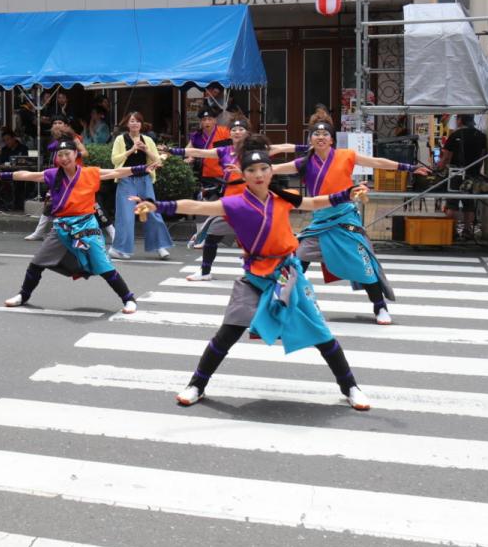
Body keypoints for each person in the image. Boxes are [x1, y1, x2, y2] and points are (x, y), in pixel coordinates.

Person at [133, 149, 371, 411]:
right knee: (228, 332)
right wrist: (158, 205)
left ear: (271, 172)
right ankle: (197, 385)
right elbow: (198, 206)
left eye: (263, 169)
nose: (258, 175)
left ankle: (350, 387)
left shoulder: (282, 197)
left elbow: (314, 203)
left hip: (286, 275)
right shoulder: (235, 204)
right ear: (242, 175)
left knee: (321, 333)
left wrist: (344, 195)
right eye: (251, 171)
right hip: (255, 277)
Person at [271, 119, 428, 325]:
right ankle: (280, 305)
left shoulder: (347, 156)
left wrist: (408, 167)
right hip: (320, 221)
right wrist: (246, 168)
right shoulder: (304, 162)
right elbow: (273, 169)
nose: (320, 137)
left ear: (332, 140)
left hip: (345, 220)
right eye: (316, 135)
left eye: (325, 134)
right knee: (298, 260)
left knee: (363, 265)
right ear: (310, 139)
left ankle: (379, 306)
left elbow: (377, 162)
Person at [0, 140, 150, 313]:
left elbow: (115, 172)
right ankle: (23, 295)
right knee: (37, 263)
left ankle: (128, 299)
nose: (64, 158)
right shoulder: (52, 174)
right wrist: (3, 175)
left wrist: (141, 169)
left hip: (87, 227)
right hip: (62, 228)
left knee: (103, 266)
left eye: (67, 154)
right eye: (60, 155)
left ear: (76, 154)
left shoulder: (89, 173)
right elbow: (28, 175)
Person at [166, 118, 297, 281]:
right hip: (231, 199)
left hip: (252, 199)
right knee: (213, 234)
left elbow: (281, 147)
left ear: (247, 133)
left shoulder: (255, 151)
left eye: (241, 129)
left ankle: (278, 268)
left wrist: (308, 147)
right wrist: (173, 151)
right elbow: (199, 152)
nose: (237, 132)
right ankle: (205, 272)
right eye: (234, 130)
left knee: (264, 236)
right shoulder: (224, 151)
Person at [109, 111, 172, 260]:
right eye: (132, 121)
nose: (134, 124)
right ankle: (119, 249)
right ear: (127, 124)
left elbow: (158, 160)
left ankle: (160, 246)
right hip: (126, 180)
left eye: (137, 121)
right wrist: (130, 150)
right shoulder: (120, 139)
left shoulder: (147, 139)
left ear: (141, 124)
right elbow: (114, 160)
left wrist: (145, 149)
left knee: (151, 212)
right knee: (126, 215)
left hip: (144, 181)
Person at [185, 105, 231, 247]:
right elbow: (188, 150)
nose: (207, 122)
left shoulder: (225, 132)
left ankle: (226, 239)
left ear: (215, 120)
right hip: (207, 176)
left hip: (227, 176)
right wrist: (189, 158)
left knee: (227, 208)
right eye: (204, 119)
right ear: (201, 122)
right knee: (204, 207)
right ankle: (200, 237)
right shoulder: (197, 136)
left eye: (210, 119)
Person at [439, 114, 488, 239]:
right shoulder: (481, 136)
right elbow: (483, 155)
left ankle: (452, 232)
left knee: (452, 204)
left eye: (456, 119)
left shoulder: (455, 135)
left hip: (456, 174)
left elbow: (446, 157)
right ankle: (467, 231)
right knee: (469, 204)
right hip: (473, 175)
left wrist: (438, 168)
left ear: (460, 120)